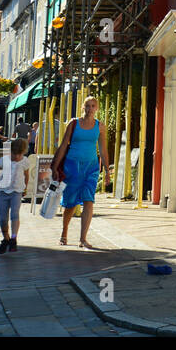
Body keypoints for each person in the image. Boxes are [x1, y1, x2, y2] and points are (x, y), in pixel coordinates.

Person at [52, 97, 111, 248]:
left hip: (91, 168)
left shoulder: (100, 126)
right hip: (72, 167)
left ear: (97, 108)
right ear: (82, 107)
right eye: (87, 106)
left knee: (89, 200)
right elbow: (64, 145)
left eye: (93, 106)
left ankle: (83, 239)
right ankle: (64, 233)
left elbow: (103, 150)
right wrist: (55, 167)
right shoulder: (73, 123)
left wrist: (107, 170)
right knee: (70, 204)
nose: (90, 109)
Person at [0, 138, 29, 254]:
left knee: (14, 215)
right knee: (3, 218)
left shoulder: (25, 161)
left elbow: (26, 175)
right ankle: (6, 238)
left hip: (16, 192)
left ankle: (13, 238)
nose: (17, 157)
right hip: (4, 192)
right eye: (14, 154)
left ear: (23, 153)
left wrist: (25, 188)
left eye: (20, 154)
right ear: (11, 151)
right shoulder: (4, 160)